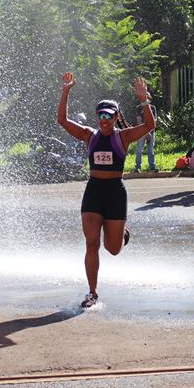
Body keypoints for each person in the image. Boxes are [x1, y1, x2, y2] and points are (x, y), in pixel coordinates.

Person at [57, 72, 154, 308]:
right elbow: (62, 120)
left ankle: (122, 234)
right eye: (101, 115)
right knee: (91, 243)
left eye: (109, 116)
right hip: (93, 191)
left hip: (114, 193)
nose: (104, 120)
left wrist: (144, 100)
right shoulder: (90, 136)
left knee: (112, 249)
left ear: (116, 117)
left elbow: (151, 125)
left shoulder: (124, 137)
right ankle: (92, 292)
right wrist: (66, 91)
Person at [133, 97, 157, 172]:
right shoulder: (139, 108)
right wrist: (146, 133)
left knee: (150, 150)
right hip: (141, 133)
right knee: (139, 150)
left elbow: (155, 120)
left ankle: (152, 166)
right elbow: (139, 121)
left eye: (147, 97)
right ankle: (138, 167)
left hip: (151, 132)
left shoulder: (153, 108)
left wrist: (150, 132)